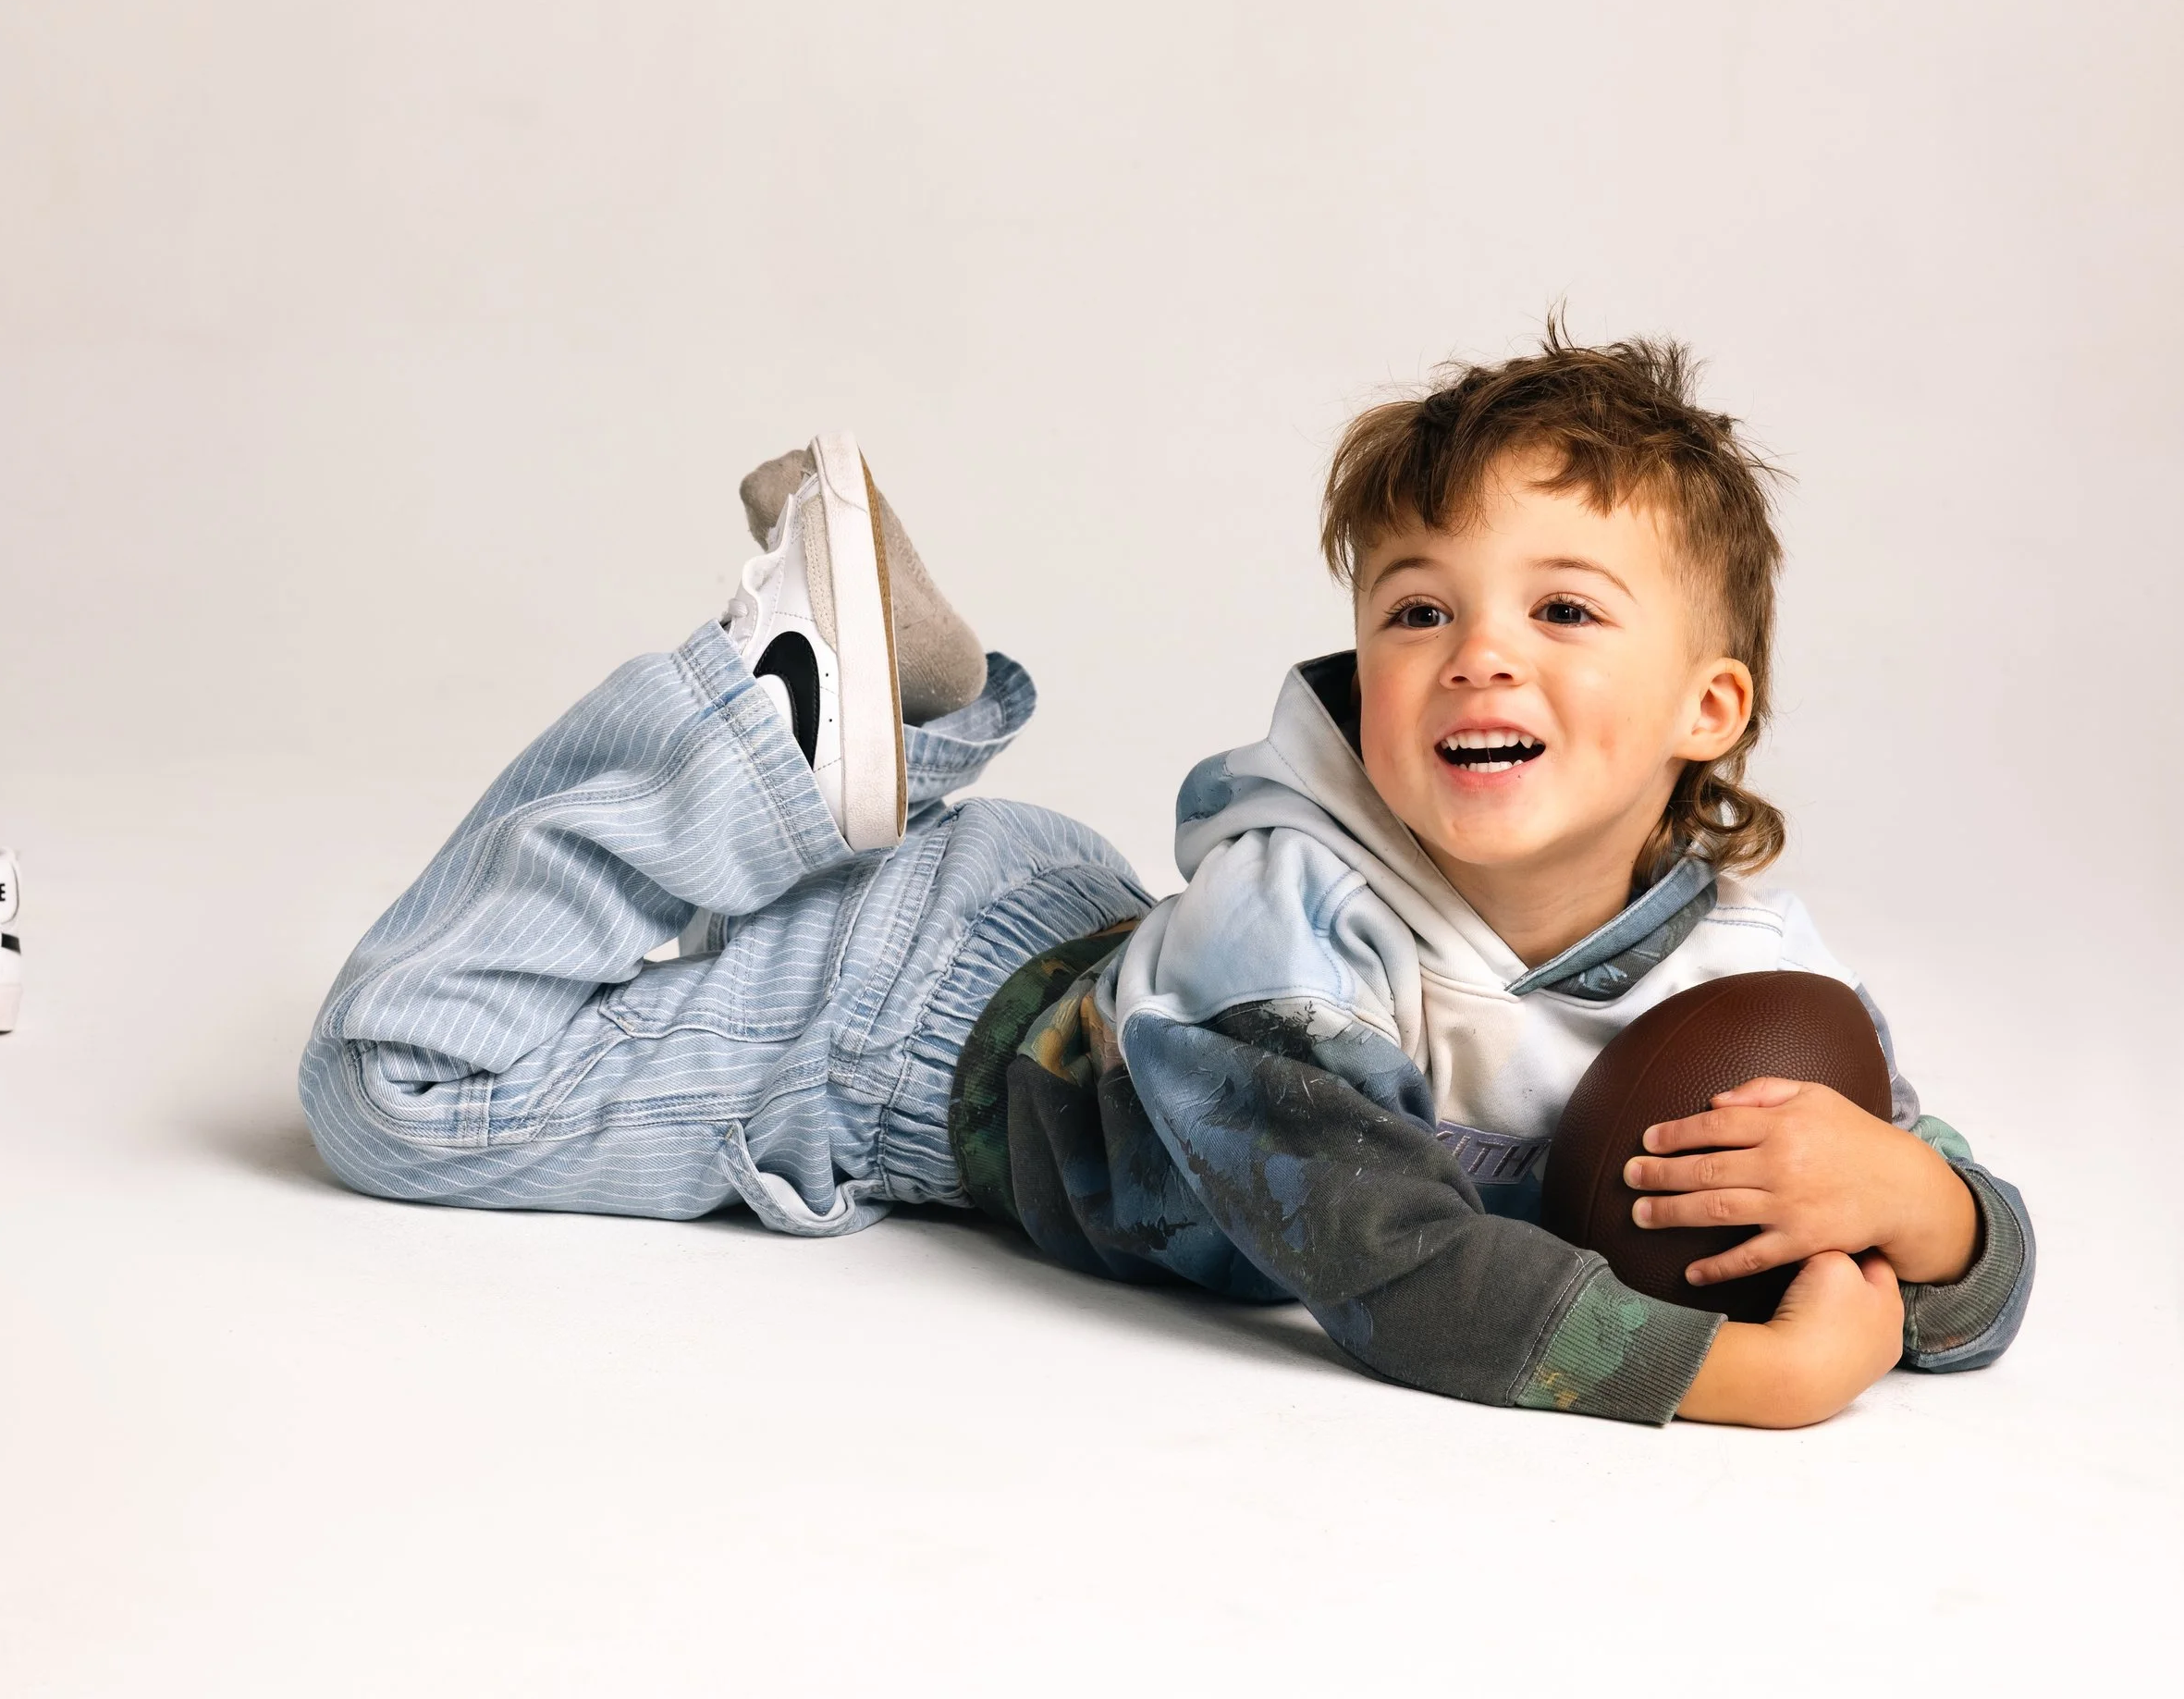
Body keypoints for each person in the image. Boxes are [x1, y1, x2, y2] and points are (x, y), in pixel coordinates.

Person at [299, 341, 2033, 1426]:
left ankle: (867, 734)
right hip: (913, 1029)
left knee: (475, 1057)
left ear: (1708, 712)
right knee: (405, 1089)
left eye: (1565, 611)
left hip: (1081, 939)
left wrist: (1919, 1204)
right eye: (1419, 609)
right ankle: (773, 723)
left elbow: (1964, 1243)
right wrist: (1746, 1378)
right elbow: (1385, 1262)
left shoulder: (1738, 967)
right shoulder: (1304, 915)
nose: (1476, 656)